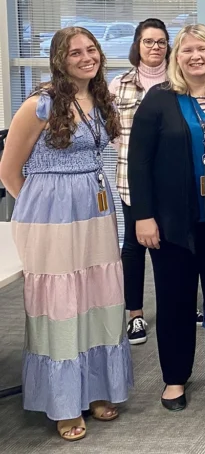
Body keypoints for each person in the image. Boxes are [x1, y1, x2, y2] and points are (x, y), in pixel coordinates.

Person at [0, 26, 132, 441]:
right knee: (61, 302)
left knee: (97, 297)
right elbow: (8, 171)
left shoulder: (101, 98)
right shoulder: (40, 104)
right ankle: (62, 402)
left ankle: (95, 389)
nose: (85, 57)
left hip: (95, 210)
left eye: (91, 49)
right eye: (75, 52)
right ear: (59, 59)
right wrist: (41, 209)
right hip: (51, 216)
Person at [128, 24, 205, 411]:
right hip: (170, 221)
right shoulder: (159, 99)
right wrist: (143, 216)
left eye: (203, 49)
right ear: (175, 56)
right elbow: (139, 162)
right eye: (186, 50)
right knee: (175, 299)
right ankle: (175, 378)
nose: (195, 56)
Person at [110, 18, 170, 346]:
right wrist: (135, 151)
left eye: (161, 42)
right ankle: (135, 314)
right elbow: (108, 129)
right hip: (130, 179)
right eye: (148, 41)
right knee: (134, 246)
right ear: (137, 45)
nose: (155, 47)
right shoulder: (119, 84)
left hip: (173, 181)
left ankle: (179, 306)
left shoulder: (179, 81)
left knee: (171, 247)